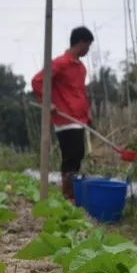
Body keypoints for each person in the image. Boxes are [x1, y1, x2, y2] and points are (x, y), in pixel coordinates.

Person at [32, 26, 93, 203]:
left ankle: (72, 192)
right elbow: (37, 81)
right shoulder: (60, 63)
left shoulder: (80, 68)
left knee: (78, 154)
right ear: (80, 43)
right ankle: (68, 194)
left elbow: (80, 92)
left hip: (79, 117)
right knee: (72, 154)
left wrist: (87, 114)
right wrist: (47, 102)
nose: (88, 50)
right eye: (87, 46)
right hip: (65, 117)